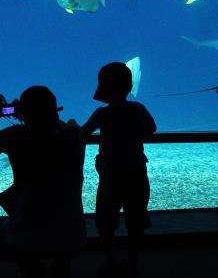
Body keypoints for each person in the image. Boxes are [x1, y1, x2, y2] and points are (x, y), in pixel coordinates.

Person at [0, 86, 86, 278]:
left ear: (24, 112)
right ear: (54, 111)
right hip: (72, 234)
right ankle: (60, 268)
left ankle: (30, 267)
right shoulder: (74, 135)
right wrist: (38, 116)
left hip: (27, 235)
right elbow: (66, 125)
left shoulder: (17, 135)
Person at [81, 62, 157, 277]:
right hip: (136, 172)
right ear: (128, 85)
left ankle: (110, 260)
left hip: (111, 175)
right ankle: (132, 263)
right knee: (136, 221)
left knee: (105, 222)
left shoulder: (101, 114)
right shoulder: (138, 108)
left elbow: (83, 133)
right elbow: (151, 129)